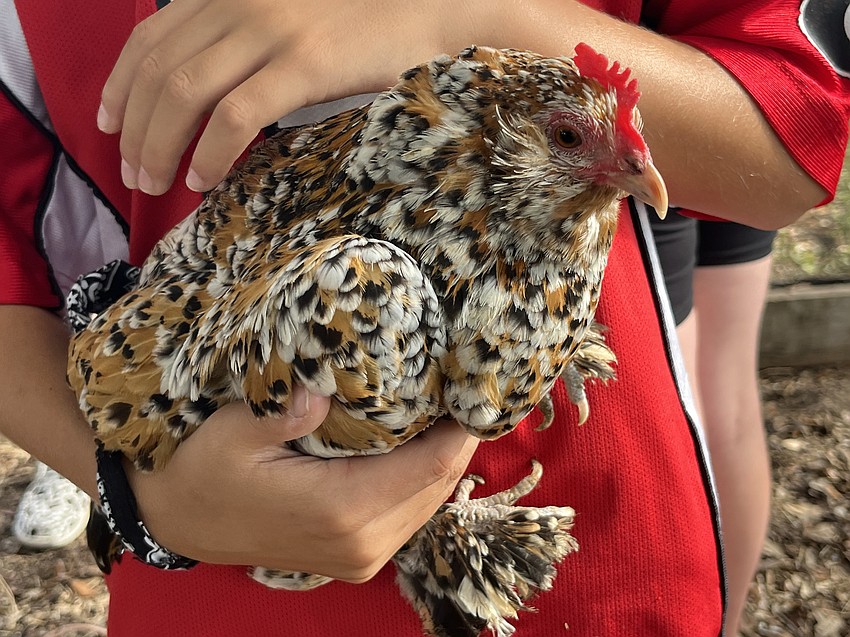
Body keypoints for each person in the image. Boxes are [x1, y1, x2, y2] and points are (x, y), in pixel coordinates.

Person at [1, 0, 847, 635]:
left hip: (595, 561)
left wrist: (457, 20)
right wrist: (136, 494)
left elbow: (794, 133)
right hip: (210, 584)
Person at [650, 211, 778, 635]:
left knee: (675, 413)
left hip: (618, 179)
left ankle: (703, 623)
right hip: (757, 166)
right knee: (732, 397)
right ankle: (725, 625)